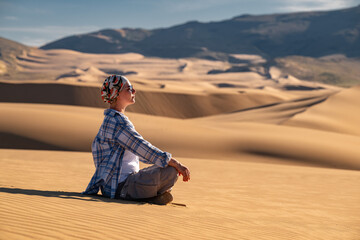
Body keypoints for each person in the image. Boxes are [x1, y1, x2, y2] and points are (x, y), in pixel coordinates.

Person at [82, 75, 190, 205]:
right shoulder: (118, 122)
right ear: (117, 94)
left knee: (164, 168)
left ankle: (150, 196)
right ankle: (146, 196)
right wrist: (176, 163)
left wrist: (165, 161)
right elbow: (142, 148)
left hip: (118, 185)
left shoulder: (111, 119)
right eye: (129, 88)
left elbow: (142, 153)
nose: (134, 91)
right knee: (171, 171)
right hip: (121, 187)